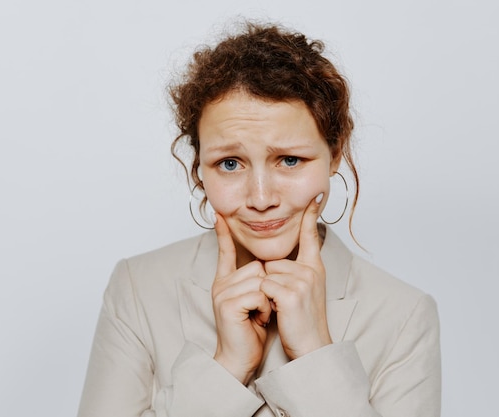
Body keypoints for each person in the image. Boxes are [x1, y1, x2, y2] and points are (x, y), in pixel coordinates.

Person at [77, 21, 441, 417]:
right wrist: (227, 365)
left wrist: (315, 352)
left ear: (334, 154)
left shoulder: (404, 314)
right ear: (199, 167)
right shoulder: (138, 289)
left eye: (290, 160)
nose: (262, 198)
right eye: (230, 163)